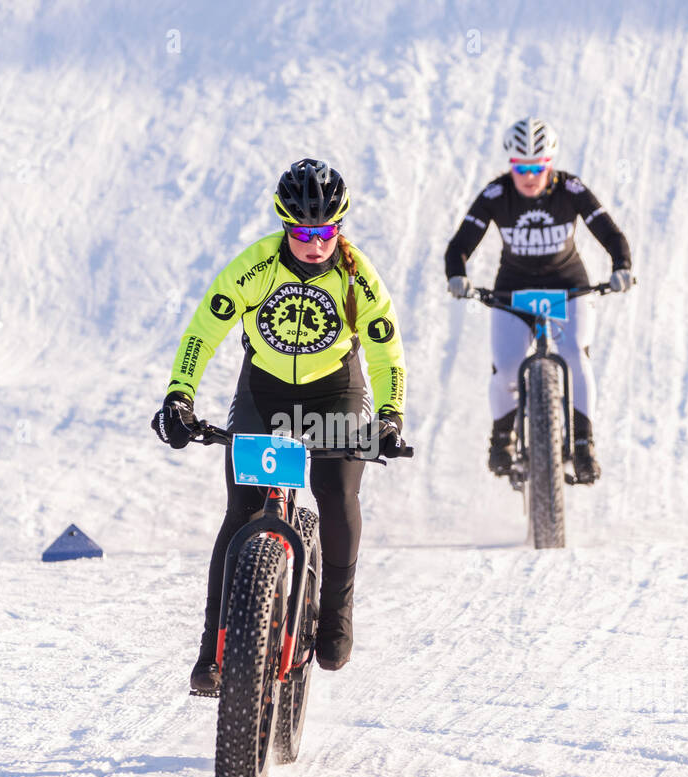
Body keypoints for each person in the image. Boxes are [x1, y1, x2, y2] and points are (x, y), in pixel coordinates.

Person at [152, 158, 407, 694]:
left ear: (341, 226)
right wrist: (179, 395)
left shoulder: (357, 276)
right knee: (242, 512)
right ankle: (212, 651)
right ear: (284, 225)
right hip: (263, 393)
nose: (316, 243)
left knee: (335, 494)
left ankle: (336, 611)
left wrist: (389, 414)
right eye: (303, 232)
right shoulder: (255, 266)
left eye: (327, 231)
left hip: (335, 392)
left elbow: (385, 353)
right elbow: (203, 331)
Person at [444, 117, 633, 483]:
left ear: (550, 164)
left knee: (577, 356)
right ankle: (502, 439)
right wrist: (457, 275)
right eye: (521, 167)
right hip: (512, 292)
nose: (529, 176)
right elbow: (460, 244)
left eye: (537, 167)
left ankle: (583, 444)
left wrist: (622, 265)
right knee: (507, 366)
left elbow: (609, 231)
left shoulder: (572, 190)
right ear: (510, 165)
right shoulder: (497, 194)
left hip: (568, 288)